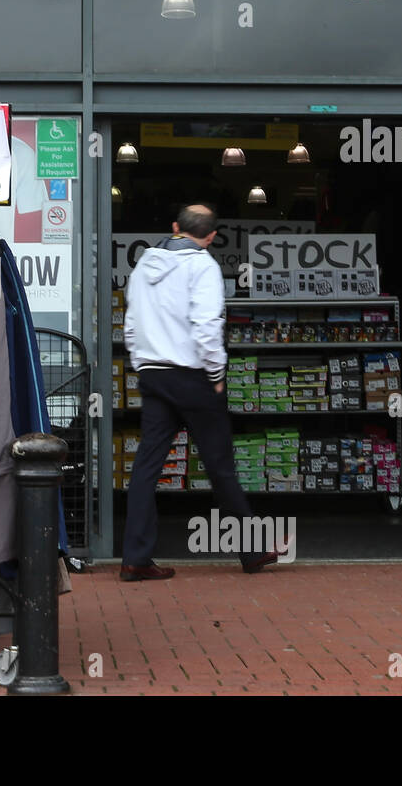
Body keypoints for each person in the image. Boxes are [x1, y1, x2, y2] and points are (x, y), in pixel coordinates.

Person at [120, 204, 282, 580]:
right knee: (220, 467)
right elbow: (207, 325)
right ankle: (253, 552)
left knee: (146, 467)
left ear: (175, 226)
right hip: (193, 377)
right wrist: (217, 374)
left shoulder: (145, 264)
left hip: (154, 374)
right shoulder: (203, 265)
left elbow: (131, 321)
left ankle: (135, 558)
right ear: (210, 237)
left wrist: (141, 362)